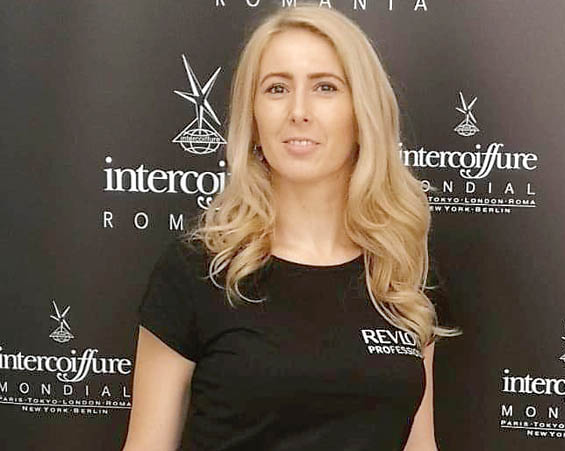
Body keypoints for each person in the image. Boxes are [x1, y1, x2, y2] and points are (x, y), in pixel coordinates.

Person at [122, 3, 461, 451]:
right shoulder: (197, 271)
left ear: (363, 113)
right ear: (253, 116)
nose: (299, 111)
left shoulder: (402, 272)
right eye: (277, 88)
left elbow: (420, 445)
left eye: (325, 87)